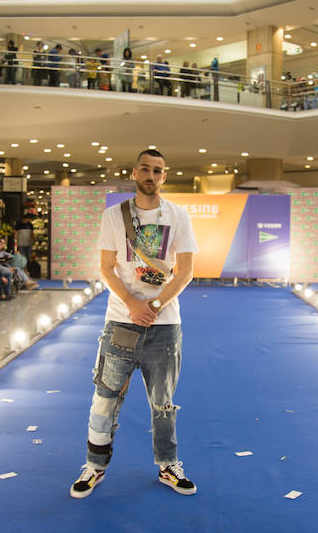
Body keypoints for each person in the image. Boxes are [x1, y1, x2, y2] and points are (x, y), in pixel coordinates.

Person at [70, 149, 197, 499]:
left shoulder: (178, 216)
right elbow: (106, 267)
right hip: (121, 321)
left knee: (163, 401)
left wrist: (153, 305)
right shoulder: (114, 216)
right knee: (105, 397)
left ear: (164, 177)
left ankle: (168, 464)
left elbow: (185, 271)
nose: (151, 175)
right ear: (135, 172)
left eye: (158, 171)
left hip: (165, 324)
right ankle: (94, 465)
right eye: (146, 168)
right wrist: (131, 303)